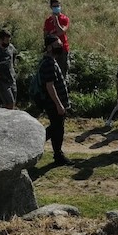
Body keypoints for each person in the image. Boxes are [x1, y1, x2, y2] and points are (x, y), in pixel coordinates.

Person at [39, 35, 72, 165]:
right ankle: (57, 155)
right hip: (53, 104)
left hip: (56, 103)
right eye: (57, 45)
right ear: (48, 47)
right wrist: (59, 105)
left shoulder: (51, 61)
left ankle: (57, 155)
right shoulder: (48, 63)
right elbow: (50, 86)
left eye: (60, 44)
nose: (60, 46)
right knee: (56, 129)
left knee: (56, 128)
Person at [43, 0, 70, 77]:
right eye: (54, 6)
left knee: (63, 72)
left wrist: (56, 21)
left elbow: (61, 32)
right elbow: (45, 35)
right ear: (51, 7)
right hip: (51, 50)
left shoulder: (65, 19)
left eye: (58, 6)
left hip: (63, 49)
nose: (56, 8)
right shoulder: (48, 21)